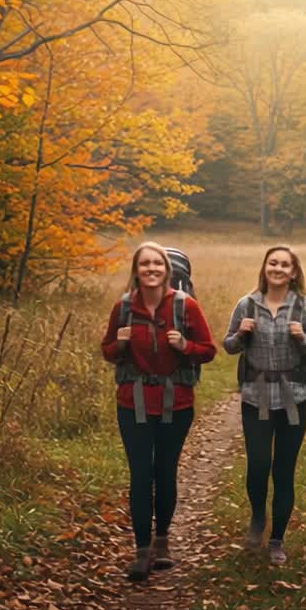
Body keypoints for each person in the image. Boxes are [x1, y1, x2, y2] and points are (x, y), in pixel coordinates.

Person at [101, 242, 216, 582]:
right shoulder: (123, 307)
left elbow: (208, 351)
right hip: (132, 402)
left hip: (175, 403)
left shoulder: (186, 306)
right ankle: (141, 551)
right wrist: (118, 343)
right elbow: (107, 351)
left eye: (157, 264)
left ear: (167, 270)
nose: (151, 269)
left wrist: (185, 346)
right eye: (144, 264)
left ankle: (162, 541)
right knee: (140, 475)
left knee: (164, 471)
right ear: (136, 270)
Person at [223, 245, 306, 565]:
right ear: (265, 267)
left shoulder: (305, 307)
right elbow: (228, 346)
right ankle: (258, 517)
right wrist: (241, 334)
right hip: (255, 398)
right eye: (273, 263)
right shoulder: (247, 304)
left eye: (285, 264)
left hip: (293, 398)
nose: (278, 269)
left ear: (294, 272)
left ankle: (277, 540)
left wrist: (303, 339)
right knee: (258, 465)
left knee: (284, 470)